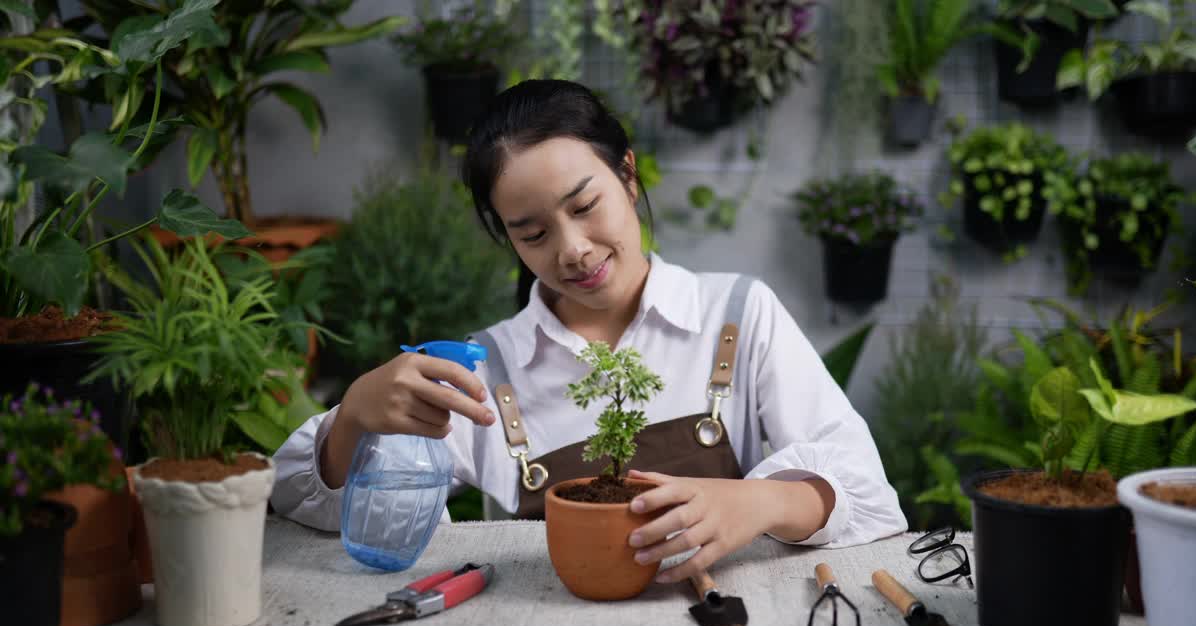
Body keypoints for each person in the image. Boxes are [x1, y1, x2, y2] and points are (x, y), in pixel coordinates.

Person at [272, 79, 907, 584]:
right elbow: (319, 507)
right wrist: (355, 418)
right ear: (507, 237)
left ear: (628, 176)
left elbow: (869, 493)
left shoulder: (738, 315)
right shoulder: (486, 368)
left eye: (584, 206)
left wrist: (763, 503)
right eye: (533, 232)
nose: (572, 250)